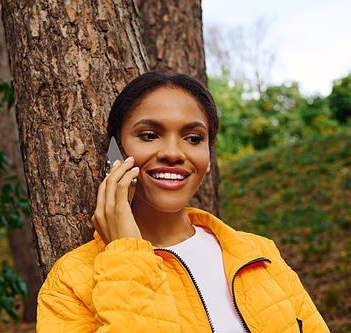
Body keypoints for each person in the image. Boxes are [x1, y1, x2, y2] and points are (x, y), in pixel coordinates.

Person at [36, 72, 329, 332]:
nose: (174, 153)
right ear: (116, 154)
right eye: (149, 135)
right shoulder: (69, 282)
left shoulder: (261, 254)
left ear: (208, 157)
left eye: (193, 138)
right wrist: (126, 258)